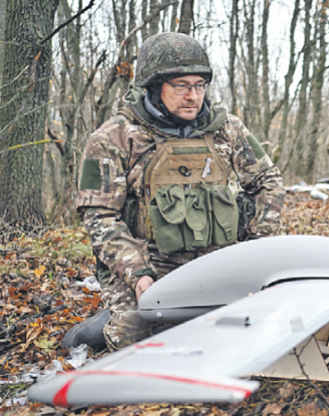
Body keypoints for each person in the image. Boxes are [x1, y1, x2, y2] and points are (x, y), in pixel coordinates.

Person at [65, 32, 285, 351]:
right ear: (154, 87)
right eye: (181, 86)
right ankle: (98, 327)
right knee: (133, 339)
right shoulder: (115, 137)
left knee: (253, 328)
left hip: (218, 257)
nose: (193, 96)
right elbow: (100, 215)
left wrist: (254, 248)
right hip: (148, 261)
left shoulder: (227, 129)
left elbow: (269, 181)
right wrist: (136, 273)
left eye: (199, 85)